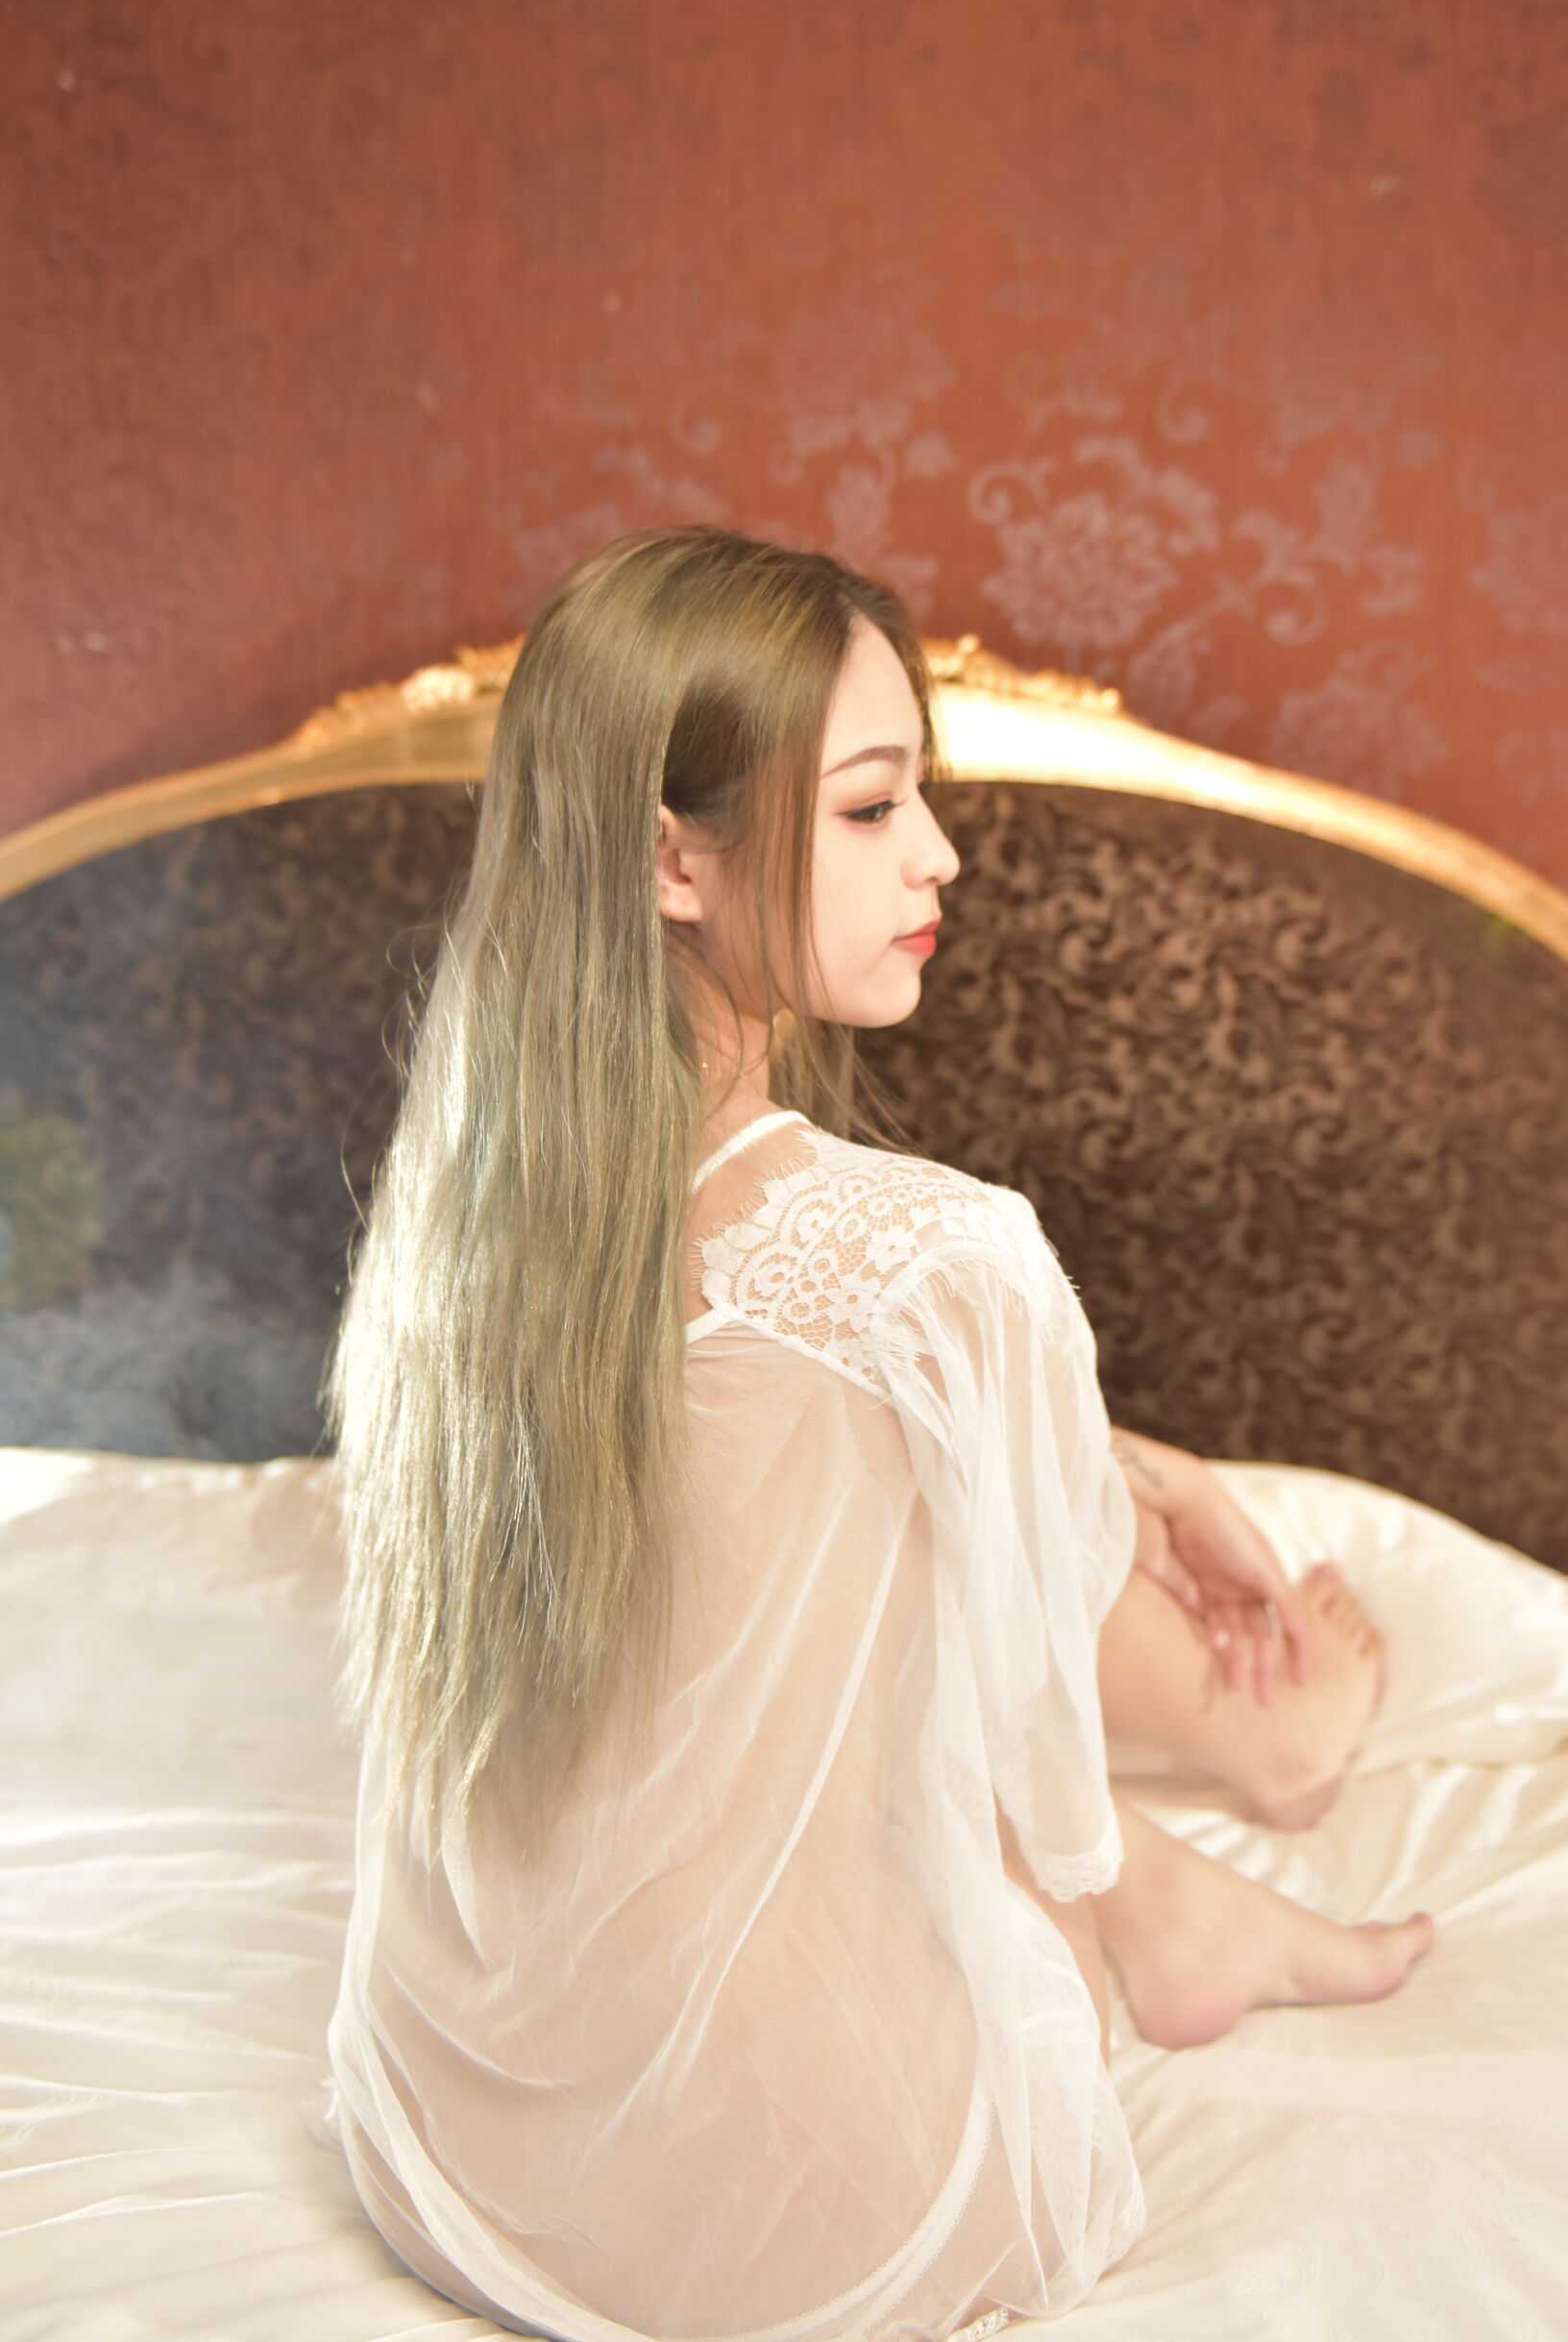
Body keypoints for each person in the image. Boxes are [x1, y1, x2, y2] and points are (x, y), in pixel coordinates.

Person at [318, 527, 1433, 2342]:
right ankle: (1234, 1824)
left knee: (897, 1473)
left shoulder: (451, 1212)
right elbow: (1042, 1744)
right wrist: (1144, 1525)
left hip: (452, 2136)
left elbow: (782, 1401)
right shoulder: (942, 1256)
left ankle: (1190, 1902)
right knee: (980, 1605)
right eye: (869, 805)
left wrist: (1127, 1469)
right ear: (670, 858)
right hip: (829, 2221)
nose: (940, 854)